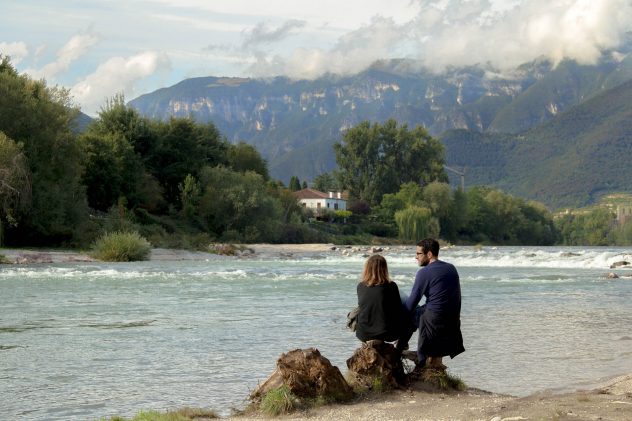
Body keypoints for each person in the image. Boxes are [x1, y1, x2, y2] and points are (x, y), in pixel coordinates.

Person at [403, 238, 465, 368]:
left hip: (433, 321)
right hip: (452, 321)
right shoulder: (451, 268)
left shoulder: (424, 272)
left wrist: (397, 314)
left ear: (429, 254)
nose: (416, 257)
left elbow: (411, 303)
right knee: (421, 309)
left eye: (419, 254)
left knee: (408, 313)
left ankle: (399, 349)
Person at [355, 254, 407, 343]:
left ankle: (366, 347)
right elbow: (398, 310)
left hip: (363, 334)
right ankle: (401, 347)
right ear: (385, 269)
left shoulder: (360, 286)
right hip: (387, 334)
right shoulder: (391, 286)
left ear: (367, 269)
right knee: (409, 313)